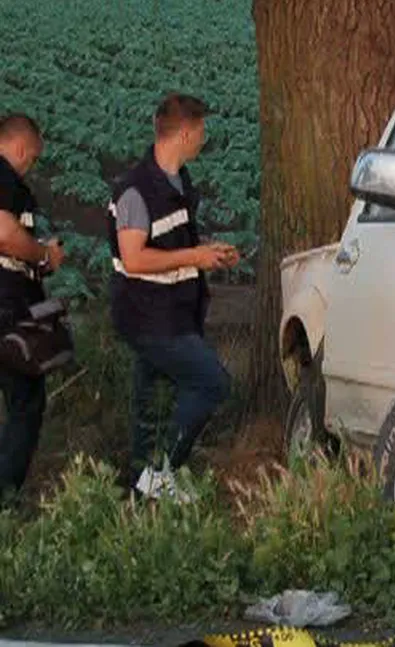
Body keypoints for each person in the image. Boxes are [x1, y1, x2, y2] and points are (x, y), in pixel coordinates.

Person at [106, 93, 238, 502]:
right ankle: (160, 473)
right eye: (200, 130)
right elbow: (135, 257)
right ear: (184, 133)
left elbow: (172, 245)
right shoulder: (135, 191)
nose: (204, 138)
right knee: (211, 382)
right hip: (149, 317)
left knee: (151, 405)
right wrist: (195, 256)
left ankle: (138, 493)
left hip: (174, 311)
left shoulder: (178, 182)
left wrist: (207, 254)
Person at [0, 113, 65, 505]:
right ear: (22, 148)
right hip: (6, 307)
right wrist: (44, 255)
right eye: (33, 158)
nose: (31, 166)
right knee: (26, 399)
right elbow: (6, 235)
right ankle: (5, 499)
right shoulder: (4, 177)